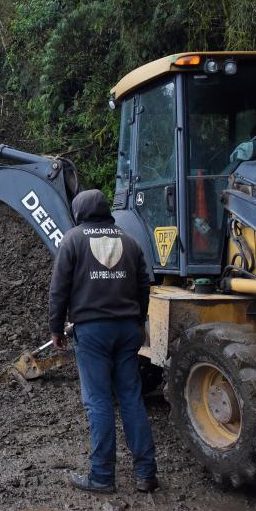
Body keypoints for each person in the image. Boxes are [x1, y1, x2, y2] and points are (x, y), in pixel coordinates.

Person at [48, 189, 158, 494]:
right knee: (131, 399)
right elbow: (144, 285)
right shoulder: (130, 241)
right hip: (127, 330)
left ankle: (101, 476)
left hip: (92, 331)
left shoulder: (73, 240)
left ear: (80, 211)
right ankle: (146, 474)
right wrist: (139, 320)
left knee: (98, 401)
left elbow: (58, 289)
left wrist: (56, 328)